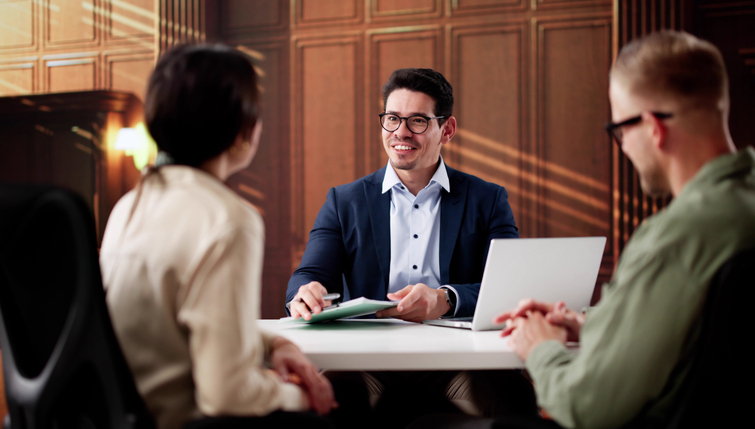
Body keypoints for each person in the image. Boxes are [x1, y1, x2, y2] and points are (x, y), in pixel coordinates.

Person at [493, 30, 755, 429]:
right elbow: (715, 341)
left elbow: (586, 407)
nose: (624, 146)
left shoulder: (674, 238)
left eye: (620, 132)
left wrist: (541, 349)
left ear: (653, 128)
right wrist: (591, 326)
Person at [100, 44, 335, 429]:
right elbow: (226, 394)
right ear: (244, 129)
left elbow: (178, 320)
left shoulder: (128, 205)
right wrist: (300, 393)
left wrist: (274, 344)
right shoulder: (229, 219)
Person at [286, 68, 536, 426]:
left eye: (417, 120)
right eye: (392, 119)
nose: (400, 132)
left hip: (458, 358)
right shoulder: (345, 201)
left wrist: (445, 299)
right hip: (369, 359)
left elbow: (508, 290)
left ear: (446, 130)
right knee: (325, 398)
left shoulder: (487, 199)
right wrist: (304, 292)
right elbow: (309, 274)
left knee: (514, 395)